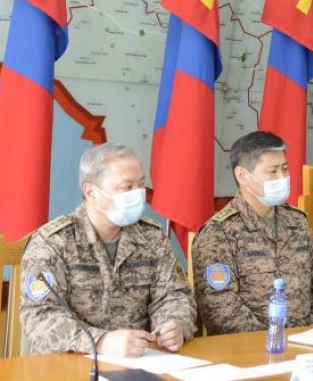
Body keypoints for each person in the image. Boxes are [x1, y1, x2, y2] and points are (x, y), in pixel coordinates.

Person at [20, 143, 196, 357]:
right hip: (69, 363)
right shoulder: (53, 242)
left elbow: (174, 295)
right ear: (91, 192)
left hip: (140, 360)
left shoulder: (152, 237)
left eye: (141, 184)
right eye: (127, 187)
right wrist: (100, 341)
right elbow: (39, 316)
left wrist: (174, 325)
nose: (138, 194)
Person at [191, 131, 313, 334]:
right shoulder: (218, 233)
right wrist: (274, 341)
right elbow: (220, 310)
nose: (283, 178)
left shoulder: (297, 221)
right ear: (242, 176)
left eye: (285, 169)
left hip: (308, 341)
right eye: (273, 171)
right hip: (251, 346)